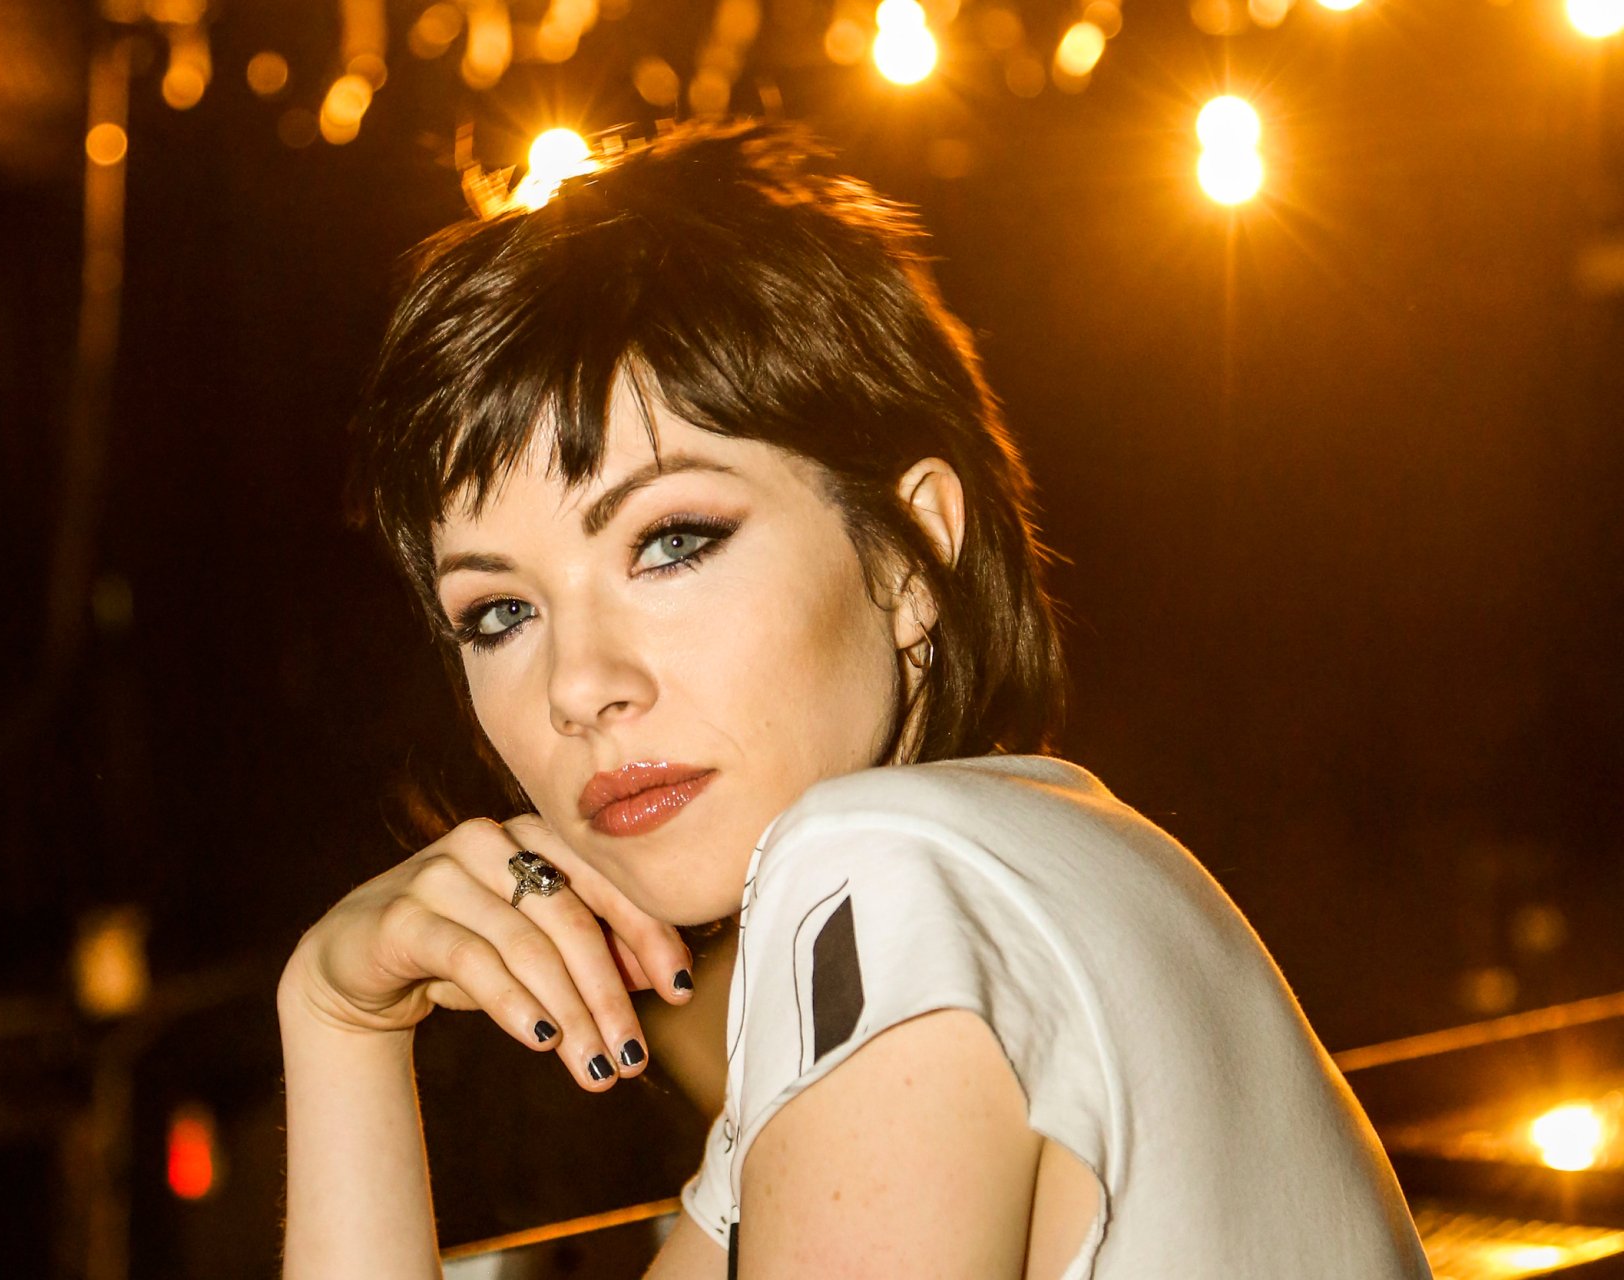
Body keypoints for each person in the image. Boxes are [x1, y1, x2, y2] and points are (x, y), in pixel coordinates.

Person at [277, 118, 1431, 1279]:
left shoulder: (889, 871)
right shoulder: (1026, 876)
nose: (579, 685)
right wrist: (338, 1014)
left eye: (672, 541)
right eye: (499, 613)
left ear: (907, 550)